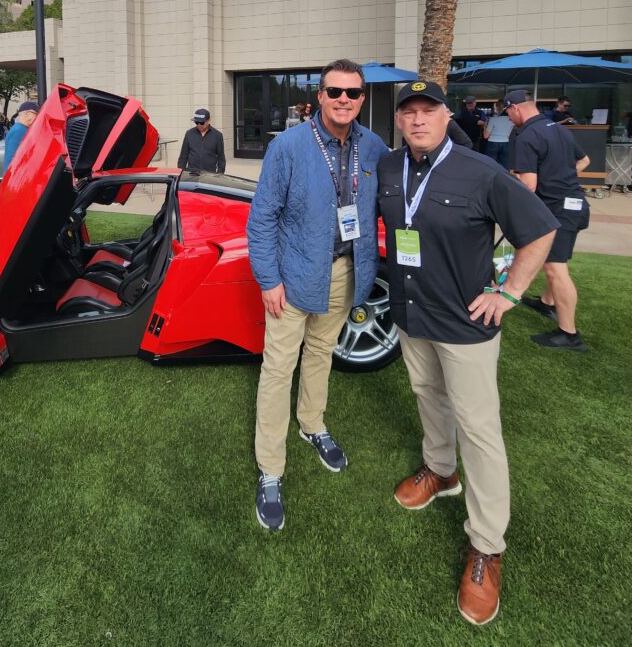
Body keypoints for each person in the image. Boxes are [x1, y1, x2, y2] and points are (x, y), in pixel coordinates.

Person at [378, 80, 558, 625]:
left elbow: (539, 230)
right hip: (413, 315)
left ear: (443, 114)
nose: (416, 119)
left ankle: (486, 545)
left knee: (480, 428)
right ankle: (440, 471)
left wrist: (509, 291)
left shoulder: (481, 172)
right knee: (428, 396)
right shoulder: (389, 167)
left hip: (466, 321)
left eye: (426, 110)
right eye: (407, 111)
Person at [247, 60, 388, 532]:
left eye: (352, 92)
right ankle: (271, 469)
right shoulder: (288, 146)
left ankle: (312, 424)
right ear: (320, 96)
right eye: (335, 91)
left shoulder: (374, 147)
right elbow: (262, 218)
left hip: (347, 273)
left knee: (322, 352)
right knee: (278, 368)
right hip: (293, 275)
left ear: (362, 98)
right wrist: (269, 280)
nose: (344, 99)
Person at [504, 90, 590, 351]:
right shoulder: (559, 129)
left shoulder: (527, 136)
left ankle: (569, 334)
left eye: (507, 113)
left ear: (515, 109)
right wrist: (558, 176)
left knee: (555, 269)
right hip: (575, 205)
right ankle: (546, 302)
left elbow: (528, 185)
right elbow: (584, 161)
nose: (508, 118)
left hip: (556, 210)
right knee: (556, 260)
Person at [176, 109, 226, 173]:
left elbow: (221, 158)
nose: (199, 125)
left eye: (202, 123)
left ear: (208, 121)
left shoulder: (217, 135)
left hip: (209, 174)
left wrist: (219, 175)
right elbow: (183, 157)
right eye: (196, 122)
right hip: (192, 173)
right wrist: (180, 173)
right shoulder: (189, 133)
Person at [3, 101, 39, 169]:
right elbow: (12, 159)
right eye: (36, 113)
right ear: (26, 113)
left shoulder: (21, 129)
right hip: (15, 177)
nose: (37, 117)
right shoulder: (18, 131)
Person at [483, 100, 514, 169]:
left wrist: (485, 126)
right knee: (505, 165)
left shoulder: (493, 119)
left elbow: (485, 136)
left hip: (492, 143)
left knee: (491, 165)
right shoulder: (511, 120)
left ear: (497, 108)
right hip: (506, 143)